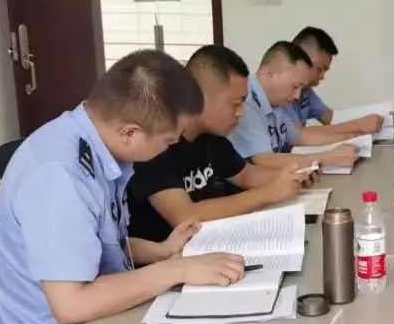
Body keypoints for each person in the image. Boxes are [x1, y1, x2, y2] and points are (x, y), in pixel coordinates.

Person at [0, 50, 246, 324]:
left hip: (96, 320)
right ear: (130, 133)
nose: (169, 150)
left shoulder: (95, 142)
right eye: (168, 141)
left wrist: (161, 251)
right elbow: (71, 305)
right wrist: (177, 270)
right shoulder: (60, 176)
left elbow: (93, 241)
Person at [127, 45, 320, 243]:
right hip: (167, 256)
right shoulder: (156, 144)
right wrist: (267, 193)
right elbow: (185, 216)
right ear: (198, 97)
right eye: (236, 103)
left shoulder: (212, 137)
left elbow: (245, 175)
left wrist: (293, 176)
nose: (241, 113)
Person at [227, 41, 359, 169]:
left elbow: (299, 136)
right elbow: (265, 160)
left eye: (301, 88)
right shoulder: (246, 102)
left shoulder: (275, 100)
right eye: (295, 86)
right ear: (271, 73)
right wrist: (329, 158)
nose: (297, 96)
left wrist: (349, 139)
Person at [286, 26, 394, 135]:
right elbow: (297, 135)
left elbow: (331, 118)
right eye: (320, 69)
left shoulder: (306, 91)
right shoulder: (281, 92)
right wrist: (359, 125)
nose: (322, 76)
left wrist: (384, 118)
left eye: (325, 70)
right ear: (301, 59)